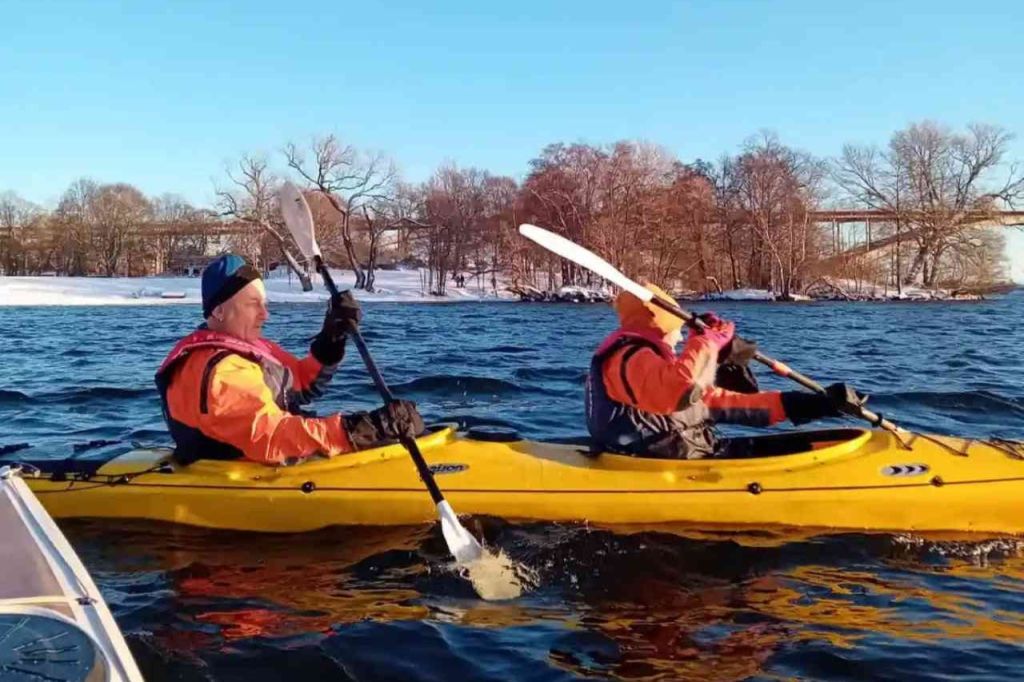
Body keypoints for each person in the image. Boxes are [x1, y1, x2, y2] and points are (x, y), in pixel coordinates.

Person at [155, 254, 424, 466]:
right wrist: (359, 430)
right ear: (219, 311)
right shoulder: (222, 370)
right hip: (245, 475)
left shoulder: (250, 348)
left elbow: (302, 383)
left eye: (264, 303)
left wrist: (331, 338)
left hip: (275, 459)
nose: (265, 314)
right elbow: (271, 437)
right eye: (253, 304)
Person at [586, 283, 865, 459]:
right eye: (676, 331)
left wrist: (813, 405)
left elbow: (727, 404)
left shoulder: (650, 364)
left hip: (688, 455)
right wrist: (706, 342)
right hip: (655, 464)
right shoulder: (628, 359)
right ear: (658, 328)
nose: (681, 338)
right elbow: (676, 392)